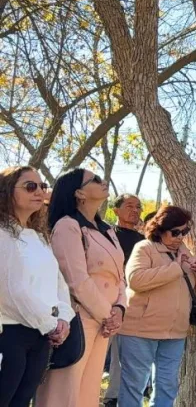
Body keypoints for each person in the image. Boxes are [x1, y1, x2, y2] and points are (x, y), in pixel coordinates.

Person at [36, 168, 127, 407]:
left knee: (88, 393)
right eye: (95, 180)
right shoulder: (68, 226)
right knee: (64, 392)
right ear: (79, 193)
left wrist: (120, 309)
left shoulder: (108, 229)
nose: (103, 181)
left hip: (105, 322)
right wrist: (108, 314)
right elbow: (76, 279)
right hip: (78, 319)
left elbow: (120, 276)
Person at [117, 206, 196, 407]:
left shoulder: (185, 251)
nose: (180, 237)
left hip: (175, 332)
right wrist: (176, 268)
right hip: (140, 330)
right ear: (160, 229)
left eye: (184, 232)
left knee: (167, 386)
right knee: (134, 386)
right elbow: (135, 280)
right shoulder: (145, 248)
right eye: (175, 232)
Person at [0, 166, 72, 407]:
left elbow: (58, 283)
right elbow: (10, 290)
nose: (39, 191)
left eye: (42, 186)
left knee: (21, 402)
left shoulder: (38, 237)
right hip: (9, 334)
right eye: (30, 186)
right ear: (7, 191)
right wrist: (50, 324)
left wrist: (64, 317)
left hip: (41, 335)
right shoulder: (1, 234)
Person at [104, 193, 145, 407]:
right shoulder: (106, 234)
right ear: (115, 210)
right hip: (103, 300)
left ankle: (113, 397)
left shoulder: (144, 242)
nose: (135, 210)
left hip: (132, 304)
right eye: (129, 206)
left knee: (123, 354)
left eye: (138, 207)